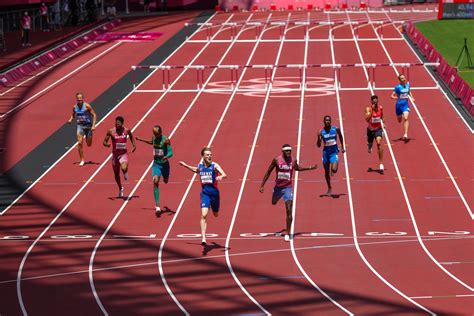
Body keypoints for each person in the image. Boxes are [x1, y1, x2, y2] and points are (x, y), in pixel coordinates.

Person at [259, 144, 317, 242]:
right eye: (287, 151)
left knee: (289, 210)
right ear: (283, 152)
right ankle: (276, 195)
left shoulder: (293, 161)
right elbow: (268, 172)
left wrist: (310, 168)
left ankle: (288, 233)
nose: (289, 152)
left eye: (290, 150)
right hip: (278, 188)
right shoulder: (276, 160)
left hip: (288, 188)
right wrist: (262, 185)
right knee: (273, 202)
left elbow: (298, 168)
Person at [180, 147, 227, 246]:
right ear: (203, 156)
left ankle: (213, 207)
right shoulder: (200, 166)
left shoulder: (215, 165)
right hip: (205, 194)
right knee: (204, 215)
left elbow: (224, 174)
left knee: (215, 214)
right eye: (207, 154)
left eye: (210, 154)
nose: (210, 156)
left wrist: (221, 176)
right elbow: (196, 170)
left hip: (214, 194)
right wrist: (185, 165)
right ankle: (204, 238)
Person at [136, 126, 173, 214]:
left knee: (166, 181)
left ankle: (166, 177)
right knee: (155, 181)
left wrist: (166, 156)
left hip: (165, 165)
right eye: (154, 134)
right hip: (156, 164)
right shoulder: (154, 138)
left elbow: (171, 152)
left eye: (157, 134)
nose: (155, 136)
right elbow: (151, 142)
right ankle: (157, 206)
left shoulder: (166, 140)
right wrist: (141, 139)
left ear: (161, 132)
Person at [103, 116, 136, 198]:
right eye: (116, 123)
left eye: (119, 123)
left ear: (122, 124)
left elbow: (131, 136)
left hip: (123, 154)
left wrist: (134, 145)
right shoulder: (111, 131)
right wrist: (107, 144)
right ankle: (120, 188)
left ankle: (125, 172)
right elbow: (104, 141)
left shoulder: (126, 130)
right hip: (115, 155)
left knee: (124, 168)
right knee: (116, 174)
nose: (117, 124)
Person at [317, 115, 345, 196]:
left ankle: (333, 166)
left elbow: (340, 136)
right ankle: (329, 187)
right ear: (324, 121)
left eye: (329, 120)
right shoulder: (321, 132)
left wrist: (343, 147)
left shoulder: (335, 129)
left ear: (331, 121)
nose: (327, 121)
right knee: (326, 172)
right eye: (326, 120)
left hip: (333, 152)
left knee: (334, 170)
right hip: (326, 153)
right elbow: (318, 145)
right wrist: (318, 138)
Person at [68, 92, 97, 166]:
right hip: (80, 126)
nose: (79, 100)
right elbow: (73, 114)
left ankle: (89, 137)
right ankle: (82, 160)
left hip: (88, 126)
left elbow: (94, 115)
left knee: (89, 144)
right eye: (78, 99)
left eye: (80, 98)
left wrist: (93, 125)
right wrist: (71, 119)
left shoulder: (87, 106)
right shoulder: (75, 107)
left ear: (82, 99)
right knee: (79, 143)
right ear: (76, 99)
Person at [391, 74, 414, 143]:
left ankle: (405, 134)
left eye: (404, 77)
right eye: (402, 78)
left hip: (405, 105)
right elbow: (392, 96)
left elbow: (409, 91)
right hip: (398, 106)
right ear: (400, 80)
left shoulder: (408, 85)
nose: (404, 79)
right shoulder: (398, 87)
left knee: (406, 118)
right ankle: (400, 115)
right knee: (399, 120)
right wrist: (397, 98)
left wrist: (412, 97)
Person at [365, 95, 385, 174]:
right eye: (374, 102)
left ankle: (381, 163)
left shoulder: (381, 108)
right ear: (371, 102)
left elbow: (382, 116)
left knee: (379, 143)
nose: (375, 103)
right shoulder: (368, 109)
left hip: (378, 129)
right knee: (370, 144)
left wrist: (384, 123)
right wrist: (372, 110)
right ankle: (369, 146)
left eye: (376, 101)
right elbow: (366, 119)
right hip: (370, 130)